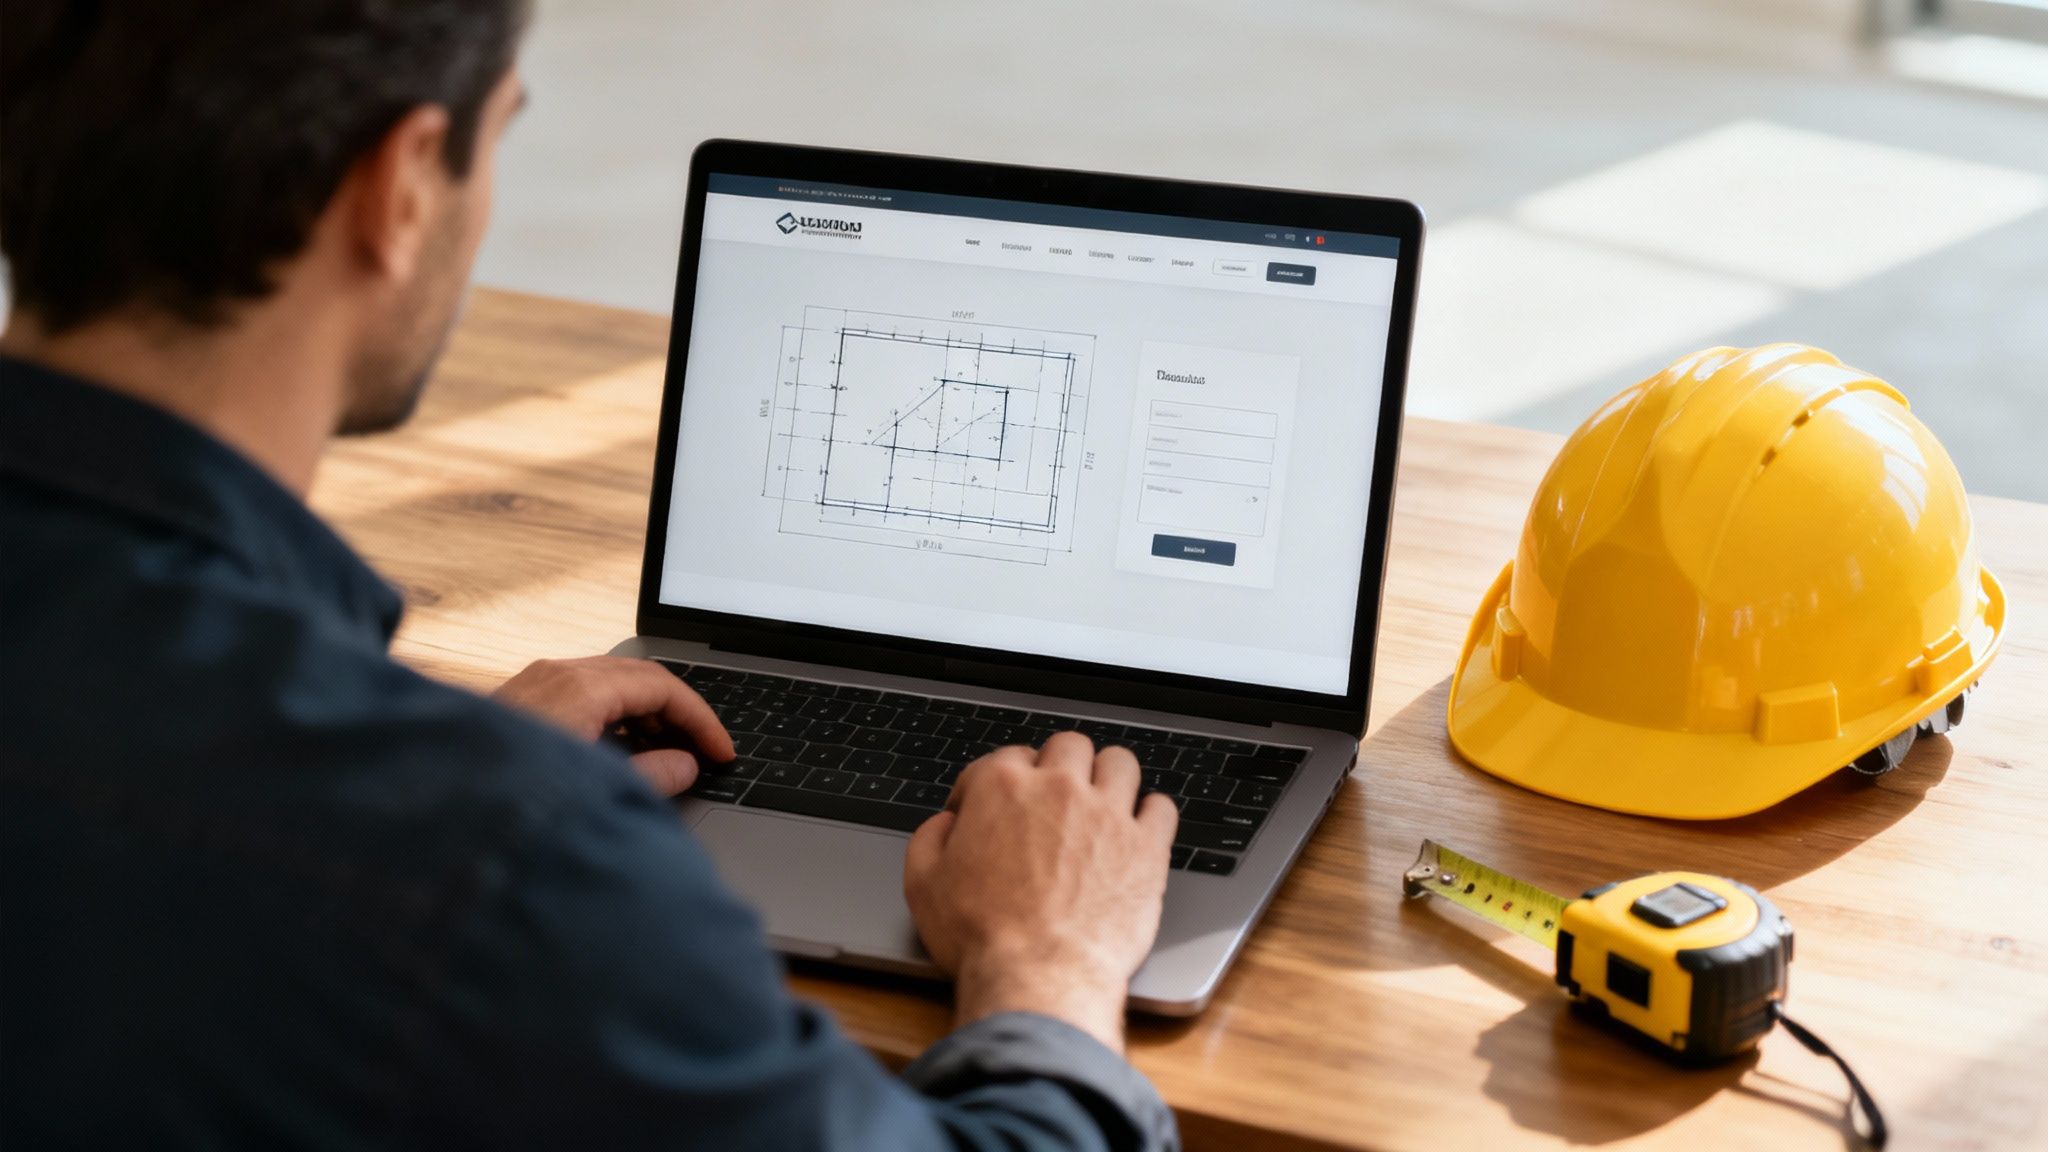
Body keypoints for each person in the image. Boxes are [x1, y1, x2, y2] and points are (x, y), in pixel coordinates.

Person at [0, 4, 1182, 1149]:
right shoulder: (498, 864)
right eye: (497, 133)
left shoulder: (432, 823)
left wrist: (427, 778)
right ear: (401, 184)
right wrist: (1051, 959)